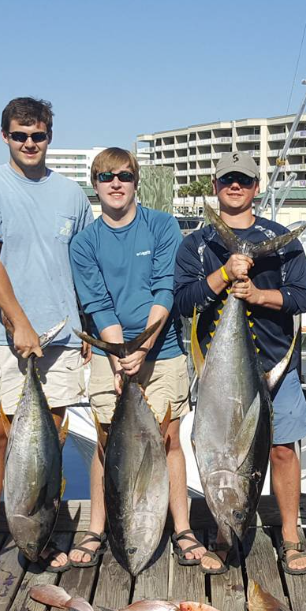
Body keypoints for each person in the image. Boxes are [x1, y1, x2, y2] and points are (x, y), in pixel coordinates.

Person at [0, 97, 93, 579]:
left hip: (61, 338)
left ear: (49, 137)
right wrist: (18, 321)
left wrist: (85, 324)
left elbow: (81, 264)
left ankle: (38, 533)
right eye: (20, 135)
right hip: (0, 335)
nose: (29, 143)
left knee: (48, 444)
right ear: (5, 137)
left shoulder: (72, 194)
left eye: (38, 135)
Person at [174, 151, 306, 574]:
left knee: (283, 450)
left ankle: (290, 536)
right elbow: (184, 302)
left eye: (244, 180)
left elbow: (303, 297)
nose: (235, 186)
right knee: (219, 449)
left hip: (275, 364)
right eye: (227, 180)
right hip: (217, 372)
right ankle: (224, 533)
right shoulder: (196, 244)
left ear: (257, 187)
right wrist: (224, 275)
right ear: (215, 186)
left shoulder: (283, 240)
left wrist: (256, 295)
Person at [69, 147, 205, 568]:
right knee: (105, 442)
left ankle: (182, 527)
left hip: (162, 350)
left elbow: (165, 287)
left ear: (136, 182)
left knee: (169, 440)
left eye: (124, 176)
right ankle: (97, 527)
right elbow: (97, 302)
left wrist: (143, 348)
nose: (116, 184)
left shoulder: (162, 225)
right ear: (95, 185)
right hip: (111, 353)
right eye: (106, 177)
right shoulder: (84, 242)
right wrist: (119, 357)